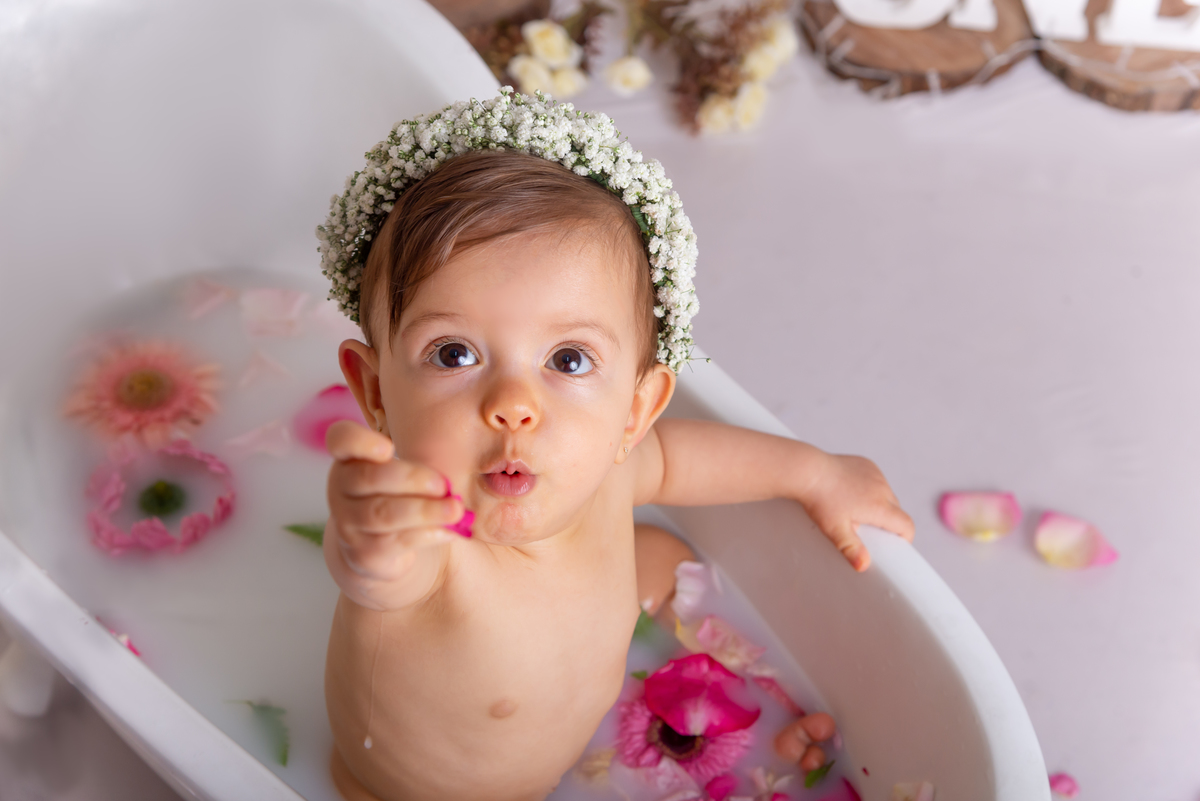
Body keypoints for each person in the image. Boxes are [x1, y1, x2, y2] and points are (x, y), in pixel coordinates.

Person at [317, 90, 913, 801]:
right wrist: (369, 524)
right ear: (375, 389)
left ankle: (714, 708)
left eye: (567, 360)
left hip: (576, 720)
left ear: (636, 408)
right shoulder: (425, 550)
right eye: (454, 353)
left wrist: (814, 470)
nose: (513, 405)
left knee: (663, 560)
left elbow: (684, 458)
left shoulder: (607, 468)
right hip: (408, 793)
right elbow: (371, 568)